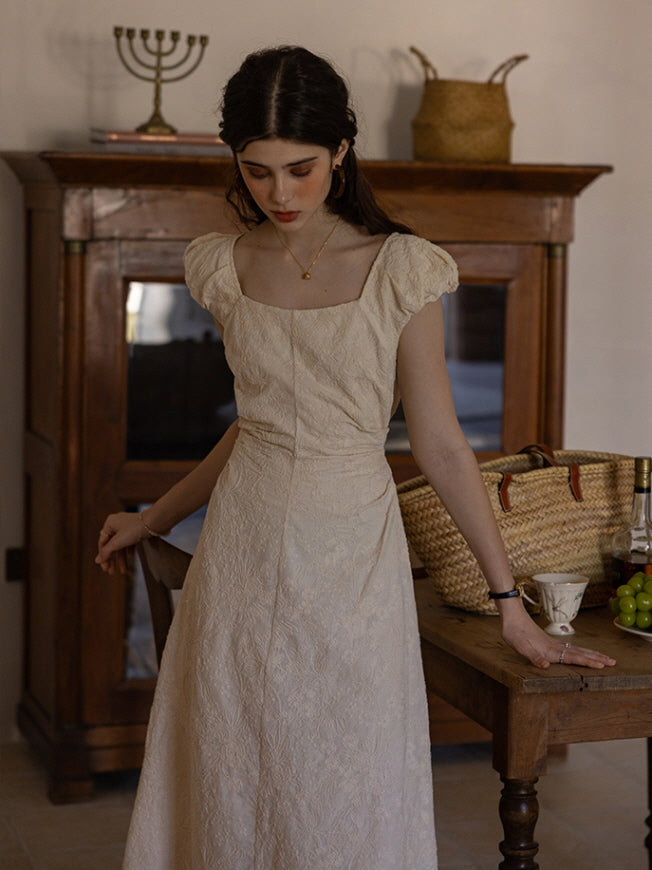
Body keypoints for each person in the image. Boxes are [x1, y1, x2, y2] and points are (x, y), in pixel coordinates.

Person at [96, 46, 615, 870]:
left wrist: (509, 601)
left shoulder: (400, 269)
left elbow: (442, 443)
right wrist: (155, 518)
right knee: (232, 768)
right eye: (257, 172)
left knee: (343, 777)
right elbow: (252, 426)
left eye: (300, 168)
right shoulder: (225, 265)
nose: (279, 194)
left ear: (340, 151)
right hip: (240, 550)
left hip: (349, 563)